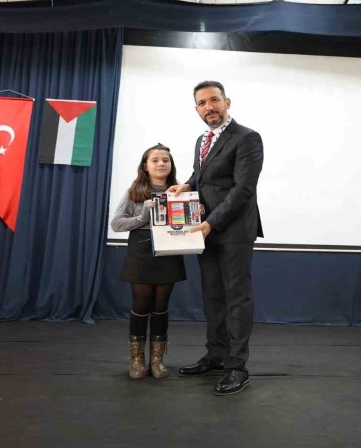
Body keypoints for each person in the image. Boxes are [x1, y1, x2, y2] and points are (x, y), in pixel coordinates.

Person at [168, 80, 263, 396]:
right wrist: (187, 184)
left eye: (214, 100)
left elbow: (243, 189)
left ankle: (237, 367)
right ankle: (216, 355)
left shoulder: (247, 137)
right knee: (213, 297)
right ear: (196, 108)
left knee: (237, 299)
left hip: (233, 230)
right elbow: (203, 175)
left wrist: (211, 223)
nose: (209, 107)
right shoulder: (202, 140)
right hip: (205, 230)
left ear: (227, 102)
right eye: (202, 103)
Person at [111, 144, 186, 379]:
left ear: (171, 165)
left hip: (169, 252)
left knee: (161, 306)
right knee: (141, 304)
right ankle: (136, 360)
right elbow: (116, 224)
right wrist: (142, 217)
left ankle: (156, 360)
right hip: (141, 253)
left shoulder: (180, 192)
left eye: (166, 160)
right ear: (145, 166)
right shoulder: (134, 192)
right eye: (155, 160)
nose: (161, 164)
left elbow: (185, 226)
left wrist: (196, 213)